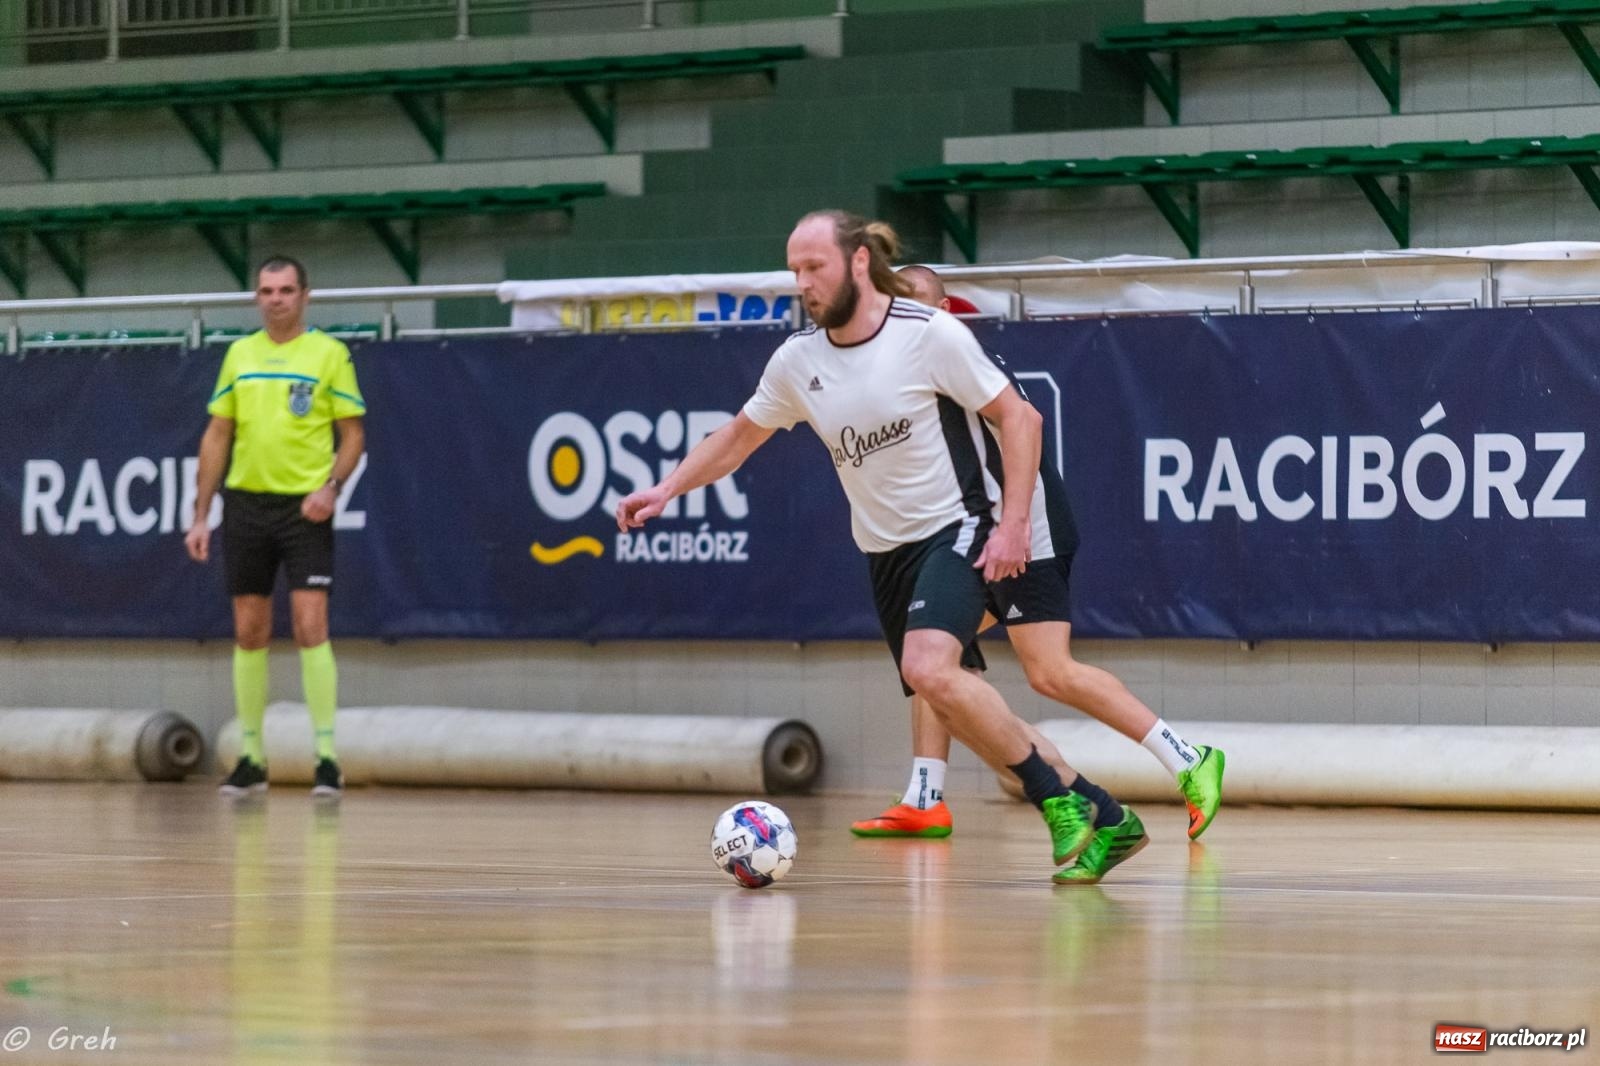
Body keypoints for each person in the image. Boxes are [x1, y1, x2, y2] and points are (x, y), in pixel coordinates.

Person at [618, 210, 1143, 885]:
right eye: (795, 271)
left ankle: (1057, 800)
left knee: (930, 668)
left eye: (816, 267)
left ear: (859, 261)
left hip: (957, 525)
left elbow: (1021, 416)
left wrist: (1013, 524)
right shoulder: (797, 360)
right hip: (885, 551)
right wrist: (667, 489)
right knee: (949, 692)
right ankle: (1104, 813)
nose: (803, 283)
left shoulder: (927, 335)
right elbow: (737, 437)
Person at [850, 265, 1227, 843]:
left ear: (945, 311)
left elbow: (1024, 423)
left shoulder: (954, 356)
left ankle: (1187, 758)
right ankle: (924, 797)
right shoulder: (901, 364)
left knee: (1049, 672)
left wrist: (1015, 524)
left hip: (1023, 530)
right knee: (933, 661)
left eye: (919, 307)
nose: (906, 319)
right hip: (973, 531)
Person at [185, 255, 367, 799]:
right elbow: (217, 435)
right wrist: (201, 513)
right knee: (249, 629)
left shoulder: (329, 354)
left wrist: (330, 487)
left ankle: (328, 757)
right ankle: (251, 757)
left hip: (303, 509)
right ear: (256, 298)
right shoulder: (240, 355)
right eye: (266, 290)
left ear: (305, 296)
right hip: (245, 506)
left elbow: (353, 435)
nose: (276, 299)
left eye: (286, 290)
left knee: (311, 624)